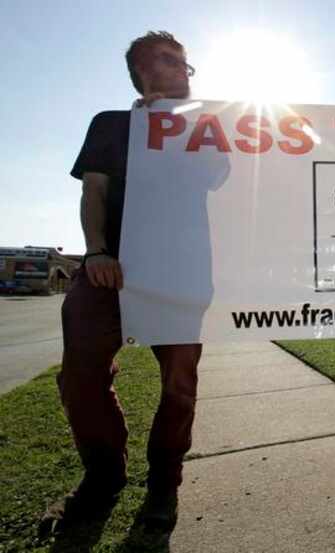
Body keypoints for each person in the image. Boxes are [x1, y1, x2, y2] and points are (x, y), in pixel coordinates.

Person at [40, 31, 200, 535]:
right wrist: (96, 251)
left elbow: (226, 185)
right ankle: (104, 476)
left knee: (179, 385)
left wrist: (174, 129)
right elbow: (94, 191)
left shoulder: (204, 130)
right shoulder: (110, 124)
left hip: (181, 273)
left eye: (186, 64)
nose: (183, 71)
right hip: (108, 269)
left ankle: (163, 486)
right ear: (141, 70)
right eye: (171, 61)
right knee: (80, 380)